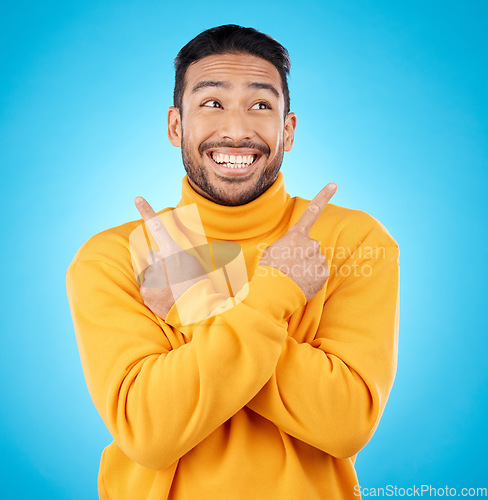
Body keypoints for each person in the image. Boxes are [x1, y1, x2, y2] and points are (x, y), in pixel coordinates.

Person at [66, 24, 400, 500]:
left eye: (261, 105)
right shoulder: (115, 256)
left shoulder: (353, 241)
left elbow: (345, 422)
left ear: (288, 129)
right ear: (175, 125)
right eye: (212, 103)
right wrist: (274, 295)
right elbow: (148, 433)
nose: (238, 130)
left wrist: (198, 300)